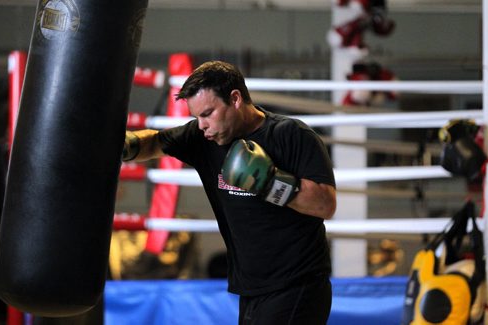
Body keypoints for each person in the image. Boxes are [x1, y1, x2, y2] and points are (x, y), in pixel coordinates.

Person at [123, 61, 337, 324]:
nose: (201, 125)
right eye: (196, 117)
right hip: (251, 289)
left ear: (235, 98)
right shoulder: (202, 137)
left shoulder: (291, 135)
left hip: (298, 285)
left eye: (208, 113)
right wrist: (124, 146)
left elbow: (325, 205)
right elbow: (155, 142)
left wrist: (269, 182)